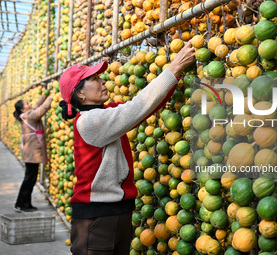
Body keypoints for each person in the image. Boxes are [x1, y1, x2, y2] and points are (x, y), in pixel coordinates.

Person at [58, 41, 195, 255]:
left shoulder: (105, 114)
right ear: (80, 94)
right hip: (97, 216)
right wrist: (174, 68)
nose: (102, 82)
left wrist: (175, 78)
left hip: (116, 212)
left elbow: (144, 108)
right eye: (94, 79)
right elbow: (137, 107)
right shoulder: (90, 121)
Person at [13, 93, 53, 212]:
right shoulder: (29, 115)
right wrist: (52, 97)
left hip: (30, 151)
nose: (29, 104)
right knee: (29, 179)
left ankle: (26, 203)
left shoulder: (26, 114)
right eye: (27, 103)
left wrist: (45, 94)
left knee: (30, 178)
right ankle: (21, 204)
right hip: (32, 152)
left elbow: (36, 105)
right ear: (22, 108)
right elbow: (41, 110)